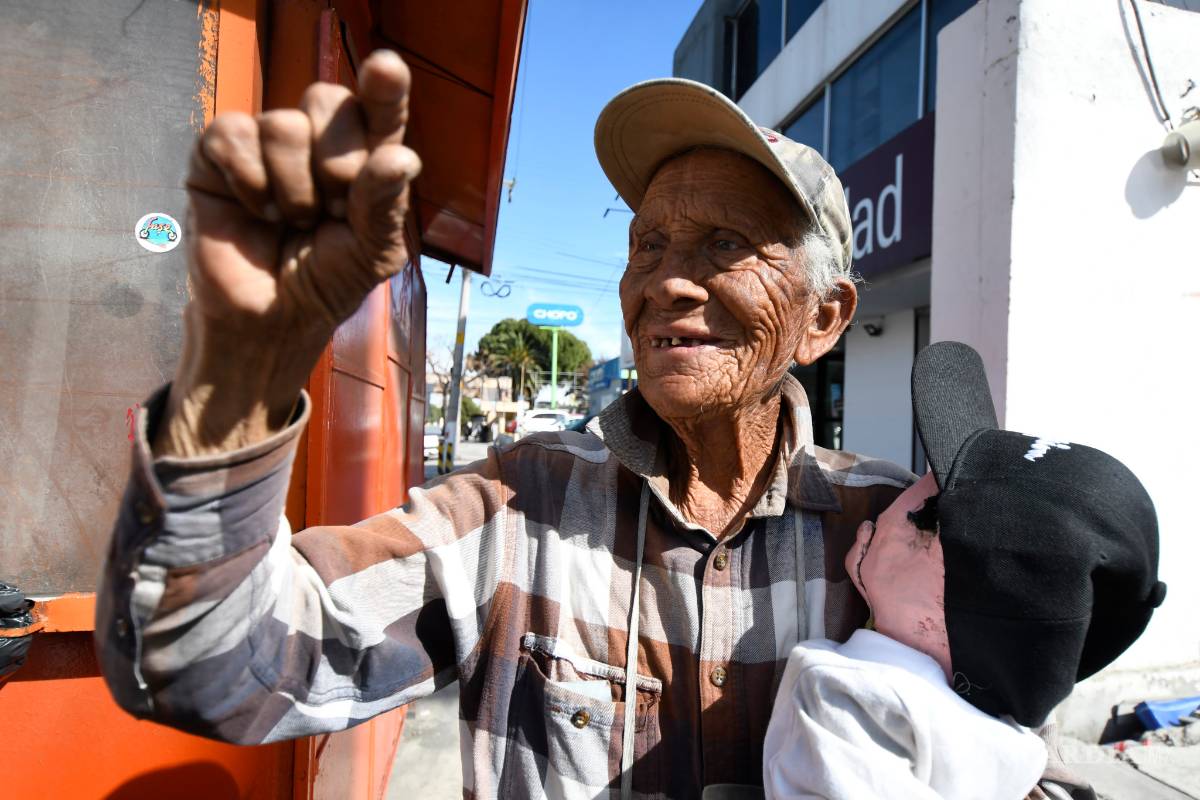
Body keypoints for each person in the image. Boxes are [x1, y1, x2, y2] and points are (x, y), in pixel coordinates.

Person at [91, 50, 1036, 798]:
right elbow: (208, 668)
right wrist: (236, 382)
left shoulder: (895, 534)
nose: (667, 278)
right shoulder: (516, 501)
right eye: (648, 244)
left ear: (824, 318)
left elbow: (1010, 756)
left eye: (724, 245)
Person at [763, 342, 1166, 800]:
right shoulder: (1007, 737)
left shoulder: (857, 702)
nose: (908, 486)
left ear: (938, 611)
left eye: (930, 513)